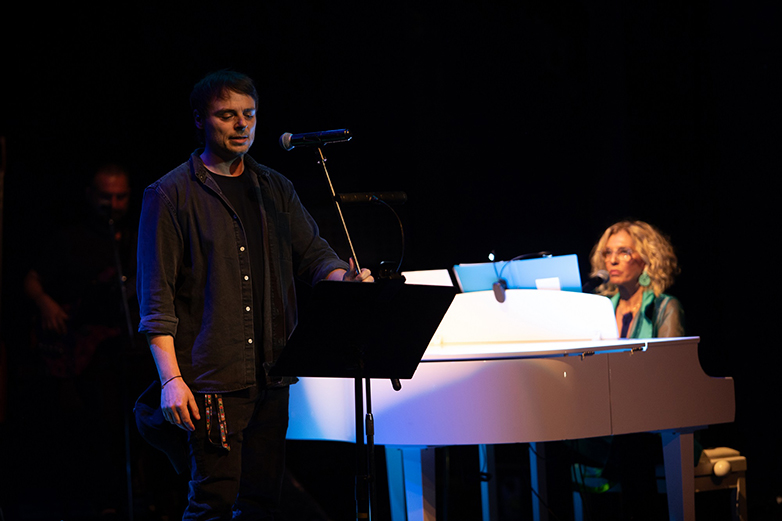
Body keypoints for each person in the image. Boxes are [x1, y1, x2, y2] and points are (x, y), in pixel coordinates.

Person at [136, 69, 373, 520]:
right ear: (200, 120)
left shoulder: (274, 188)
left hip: (273, 372)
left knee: (262, 503)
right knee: (213, 503)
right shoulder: (169, 195)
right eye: (227, 115)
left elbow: (314, 256)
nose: (242, 124)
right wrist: (170, 380)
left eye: (249, 114)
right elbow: (155, 301)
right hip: (213, 380)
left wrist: (345, 279)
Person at [21, 163, 137, 518]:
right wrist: (46, 304)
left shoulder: (134, 239)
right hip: (75, 348)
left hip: (119, 346)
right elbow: (31, 279)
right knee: (86, 425)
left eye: (120, 197)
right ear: (90, 195)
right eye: (106, 197)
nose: (113, 205)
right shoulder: (69, 238)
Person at [589, 219, 684, 339]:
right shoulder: (602, 310)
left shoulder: (664, 308)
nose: (613, 260)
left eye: (624, 252)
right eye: (608, 252)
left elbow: (670, 351)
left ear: (646, 259)